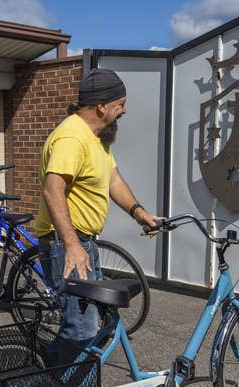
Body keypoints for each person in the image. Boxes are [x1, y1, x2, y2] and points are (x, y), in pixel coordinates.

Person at [33, 68, 161, 365]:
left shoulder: (96, 139)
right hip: (67, 244)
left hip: (83, 243)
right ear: (101, 106)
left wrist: (139, 213)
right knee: (81, 329)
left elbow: (113, 179)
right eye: (120, 104)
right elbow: (54, 189)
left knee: (96, 323)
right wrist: (72, 245)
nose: (124, 111)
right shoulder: (72, 137)